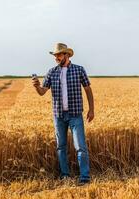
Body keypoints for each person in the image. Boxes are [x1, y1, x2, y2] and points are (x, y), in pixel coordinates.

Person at [32, 43, 94, 185]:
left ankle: (85, 177)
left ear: (66, 55)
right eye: (55, 55)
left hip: (75, 114)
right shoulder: (51, 72)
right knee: (61, 146)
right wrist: (37, 86)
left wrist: (92, 109)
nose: (56, 58)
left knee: (80, 146)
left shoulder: (79, 70)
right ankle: (65, 175)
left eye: (59, 55)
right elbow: (42, 92)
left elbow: (88, 89)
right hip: (58, 115)